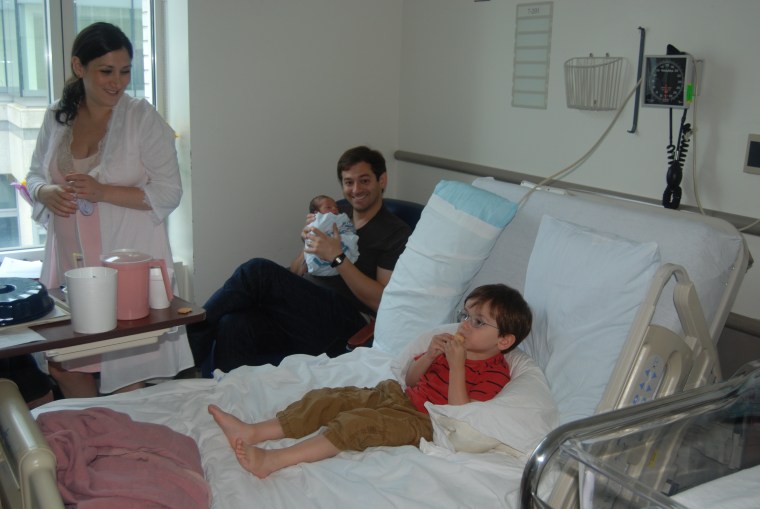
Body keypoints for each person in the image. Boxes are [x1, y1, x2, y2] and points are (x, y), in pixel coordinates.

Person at [24, 22, 193, 398]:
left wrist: (102, 191)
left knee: (124, 366)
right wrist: (46, 190)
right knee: (64, 362)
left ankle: (126, 440)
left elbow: (169, 192)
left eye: (125, 71)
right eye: (106, 71)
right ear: (78, 67)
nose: (117, 82)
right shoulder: (57, 116)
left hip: (123, 265)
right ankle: (96, 433)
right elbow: (34, 174)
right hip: (69, 262)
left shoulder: (141, 117)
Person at [208, 283, 532, 478]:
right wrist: (431, 357)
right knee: (329, 398)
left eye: (478, 322)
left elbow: (463, 414)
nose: (464, 326)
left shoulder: (495, 372)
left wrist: (458, 366)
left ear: (504, 340)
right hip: (399, 396)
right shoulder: (447, 344)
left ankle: (274, 460)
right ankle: (255, 431)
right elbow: (410, 378)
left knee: (357, 423)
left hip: (424, 420)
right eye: (465, 316)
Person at [187, 145, 411, 371]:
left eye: (364, 180)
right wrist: (308, 244)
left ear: (381, 180)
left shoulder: (394, 233)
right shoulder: (336, 211)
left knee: (257, 270)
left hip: (347, 320)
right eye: (348, 182)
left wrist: (337, 258)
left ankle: (191, 340)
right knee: (233, 324)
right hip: (303, 311)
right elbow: (295, 271)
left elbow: (382, 301)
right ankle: (227, 396)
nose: (355, 189)